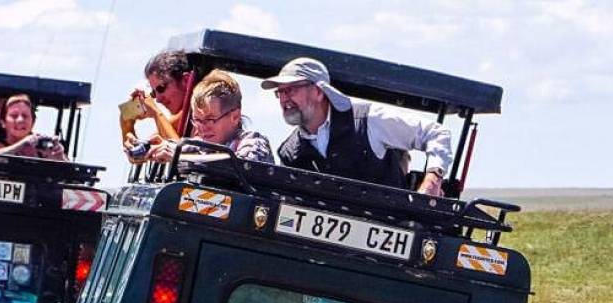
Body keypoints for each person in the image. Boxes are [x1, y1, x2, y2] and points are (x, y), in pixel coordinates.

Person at [262, 58, 451, 196]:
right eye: (280, 92)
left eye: (291, 89)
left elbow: (435, 133)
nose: (284, 98)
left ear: (319, 91)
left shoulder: (369, 119)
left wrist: (433, 180)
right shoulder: (288, 152)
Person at [146, 70, 273, 164]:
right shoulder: (200, 145)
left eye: (210, 120)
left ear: (235, 117)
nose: (202, 128)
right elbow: (176, 148)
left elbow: (240, 165)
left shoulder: (254, 143)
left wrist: (181, 157)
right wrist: (150, 150)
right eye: (197, 120)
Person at [122, 49, 198, 159]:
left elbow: (175, 154)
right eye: (153, 92)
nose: (157, 99)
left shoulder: (203, 110)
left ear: (186, 81)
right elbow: (154, 141)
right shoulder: (183, 117)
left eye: (161, 88)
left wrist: (155, 112)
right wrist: (128, 131)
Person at [0, 94, 65, 160]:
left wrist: (59, 156)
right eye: (14, 116)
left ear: (33, 122)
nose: (20, 120)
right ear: (3, 122)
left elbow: (70, 171)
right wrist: (22, 144)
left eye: (25, 116)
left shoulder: (42, 146)